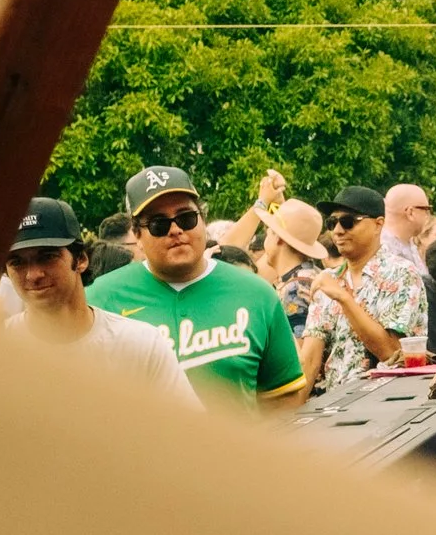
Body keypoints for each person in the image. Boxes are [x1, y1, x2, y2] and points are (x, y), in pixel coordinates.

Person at [87, 164, 308, 412]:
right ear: (137, 234)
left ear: (202, 220)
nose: (176, 230)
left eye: (186, 218)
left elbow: (283, 397)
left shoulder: (256, 293)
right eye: (159, 224)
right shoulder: (99, 300)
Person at [0, 197, 198, 406]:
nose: (33, 274)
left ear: (81, 259)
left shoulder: (140, 345)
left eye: (47, 256)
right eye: (17, 262)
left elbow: (191, 430)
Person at [301, 184, 425, 392]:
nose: (338, 231)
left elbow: (392, 354)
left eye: (348, 222)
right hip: (334, 408)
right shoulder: (328, 281)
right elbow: (309, 363)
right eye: (332, 223)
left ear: (378, 224)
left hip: (388, 406)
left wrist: (343, 297)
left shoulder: (402, 274)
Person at [257, 197, 330, 334]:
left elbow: (298, 351)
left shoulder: (294, 290)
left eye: (268, 234)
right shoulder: (313, 274)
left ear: (278, 239)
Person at [382, 184, 436, 267]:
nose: (428, 215)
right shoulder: (384, 253)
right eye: (426, 209)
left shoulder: (408, 243)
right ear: (410, 213)